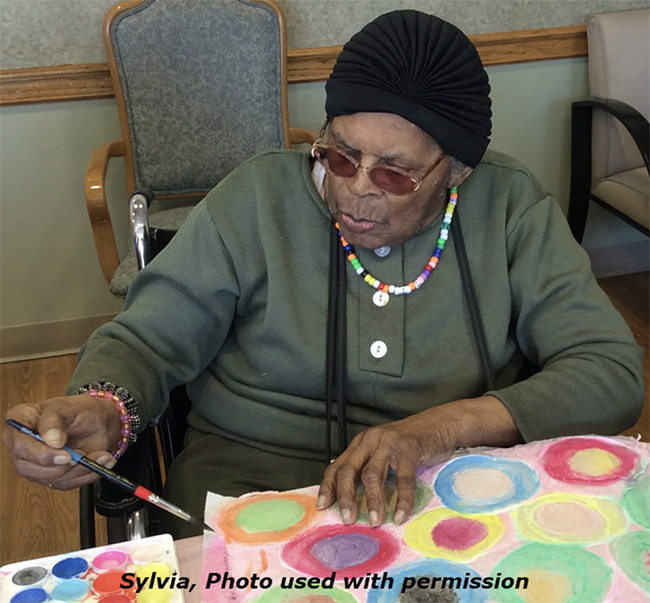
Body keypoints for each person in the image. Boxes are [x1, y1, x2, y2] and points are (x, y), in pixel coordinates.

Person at [3, 10, 643, 538]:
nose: (358, 190)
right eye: (340, 155)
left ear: (458, 172)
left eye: (394, 172)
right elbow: (146, 338)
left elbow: (610, 372)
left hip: (452, 496)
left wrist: (439, 428)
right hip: (249, 497)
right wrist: (105, 408)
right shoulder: (255, 199)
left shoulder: (509, 206)